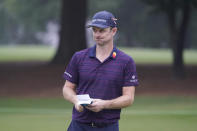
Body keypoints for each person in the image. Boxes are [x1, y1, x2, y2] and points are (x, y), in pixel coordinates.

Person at [62, 10, 139, 131]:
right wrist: (75, 100)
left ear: (113, 31)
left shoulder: (126, 61)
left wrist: (104, 104)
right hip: (78, 125)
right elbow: (67, 88)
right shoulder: (79, 57)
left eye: (102, 30)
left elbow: (129, 98)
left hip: (108, 127)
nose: (97, 34)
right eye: (94, 30)